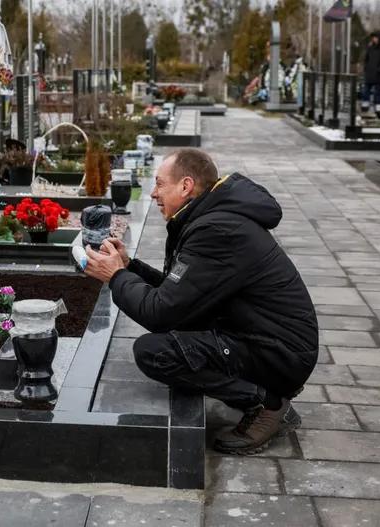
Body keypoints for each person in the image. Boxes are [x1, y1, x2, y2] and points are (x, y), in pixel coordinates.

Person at [83, 149, 318, 455]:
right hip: (269, 341)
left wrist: (116, 277)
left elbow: (160, 313)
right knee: (175, 335)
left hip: (279, 353)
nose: (153, 193)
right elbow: (179, 295)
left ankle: (268, 404)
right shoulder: (212, 219)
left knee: (155, 353)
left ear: (186, 186)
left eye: (159, 184)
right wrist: (129, 268)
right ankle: (266, 390)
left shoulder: (217, 230)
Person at [362, 31, 380, 119]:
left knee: (377, 94)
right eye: (373, 37)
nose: (374, 39)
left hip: (378, 75)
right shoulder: (370, 48)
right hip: (369, 74)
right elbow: (366, 59)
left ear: (379, 38)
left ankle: (379, 112)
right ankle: (365, 109)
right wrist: (366, 68)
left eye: (375, 37)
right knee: (365, 92)